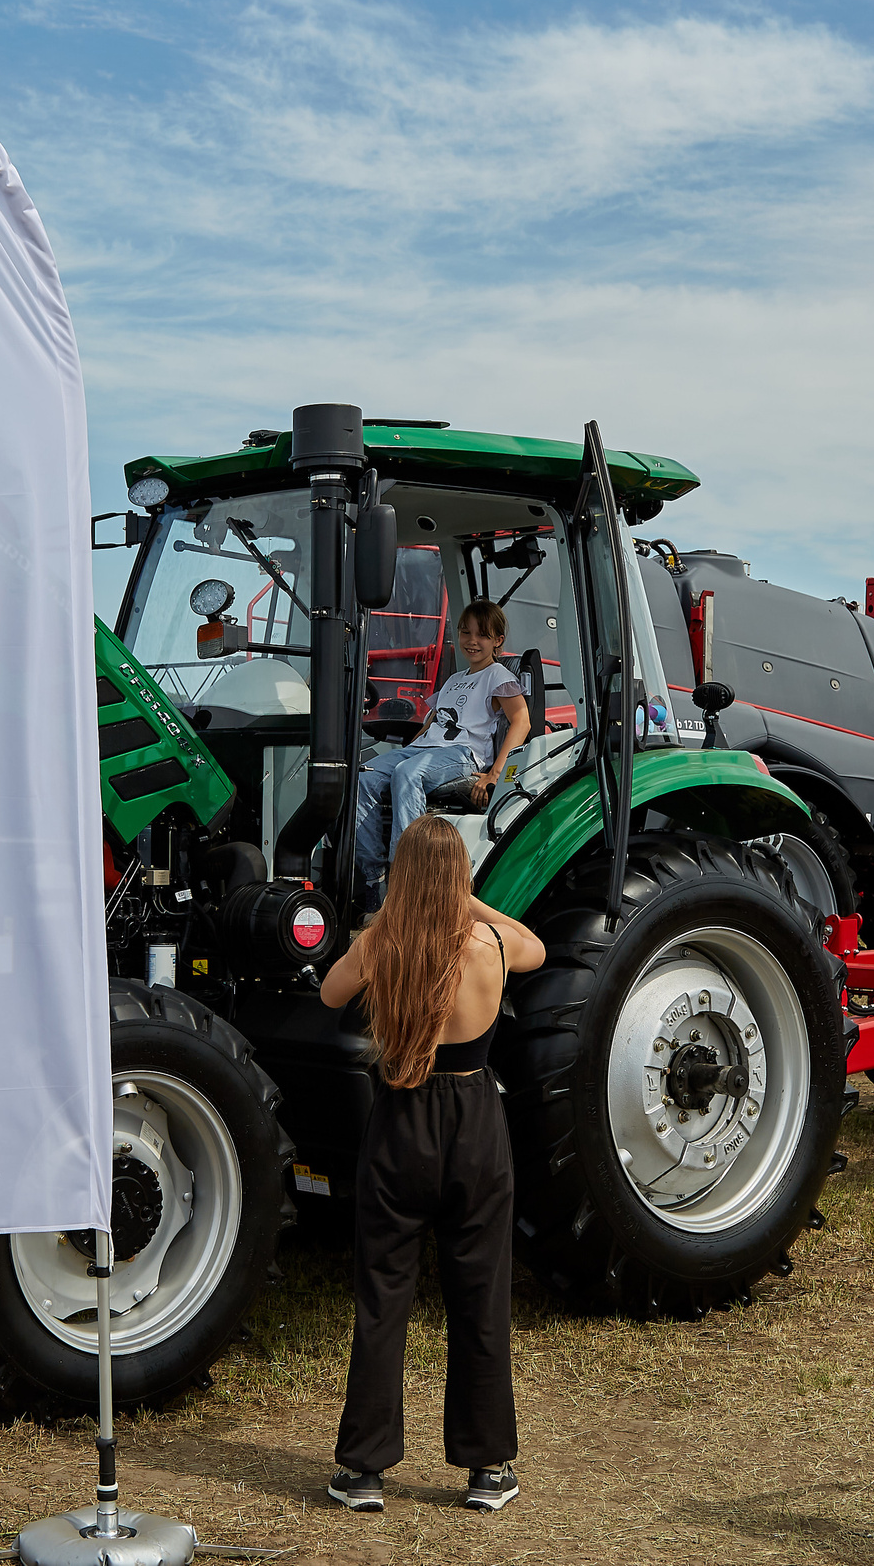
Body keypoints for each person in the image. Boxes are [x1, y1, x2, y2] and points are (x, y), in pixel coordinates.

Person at [318, 814, 545, 1515]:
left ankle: (363, 1471)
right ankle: (486, 1469)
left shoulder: (381, 944)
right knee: (480, 1295)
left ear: (403, 873)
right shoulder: (491, 944)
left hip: (400, 1119)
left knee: (383, 1295)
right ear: (460, 876)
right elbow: (537, 945)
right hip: (475, 1121)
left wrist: (397, 909)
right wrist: (467, 899)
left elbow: (329, 992)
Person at [353, 600, 531, 909]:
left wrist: (495, 773)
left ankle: (406, 878)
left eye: (482, 635)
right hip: (423, 750)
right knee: (361, 778)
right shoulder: (453, 679)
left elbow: (522, 720)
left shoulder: (497, 676)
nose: (472, 641)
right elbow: (431, 724)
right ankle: (372, 878)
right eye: (465, 633)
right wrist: (407, 750)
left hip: (462, 754)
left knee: (408, 775)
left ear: (498, 641)